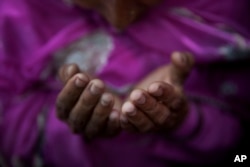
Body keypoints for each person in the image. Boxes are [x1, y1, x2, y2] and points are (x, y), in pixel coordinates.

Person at [0, 0, 249, 166]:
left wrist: (186, 118)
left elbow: (239, 151)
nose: (119, 21)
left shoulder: (228, 9)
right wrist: (63, 125)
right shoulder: (14, 15)